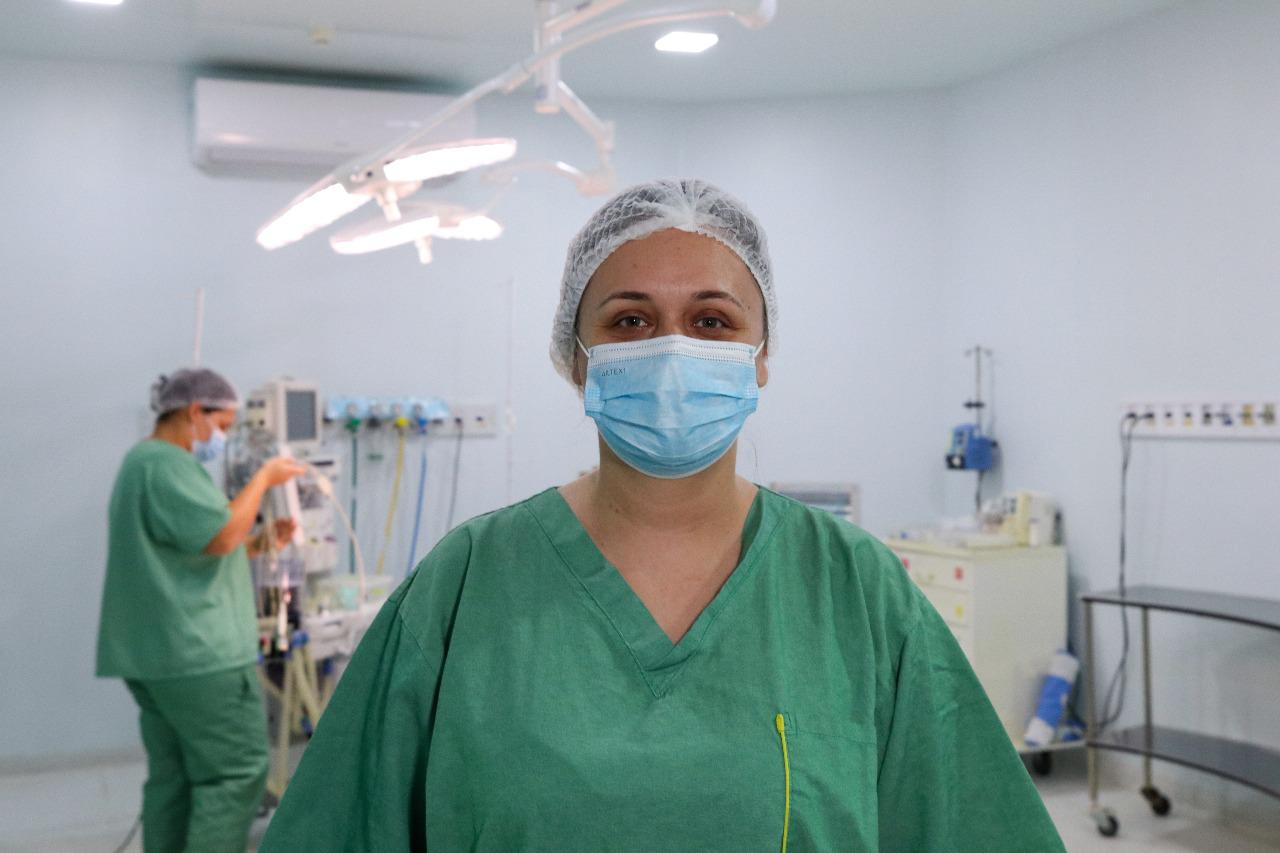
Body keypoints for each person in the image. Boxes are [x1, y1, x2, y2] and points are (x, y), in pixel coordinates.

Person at [260, 179, 1065, 852]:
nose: (672, 349)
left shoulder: (855, 590)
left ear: (760, 356)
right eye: (630, 320)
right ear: (577, 359)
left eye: (712, 320)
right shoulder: (465, 585)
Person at [96, 367, 305, 853]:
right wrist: (264, 478)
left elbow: (189, 550)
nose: (224, 437)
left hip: (153, 656)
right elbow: (221, 534)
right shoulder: (166, 465)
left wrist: (260, 543)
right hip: (198, 656)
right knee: (236, 772)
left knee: (174, 778)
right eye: (224, 425)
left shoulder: (139, 464)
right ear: (195, 412)